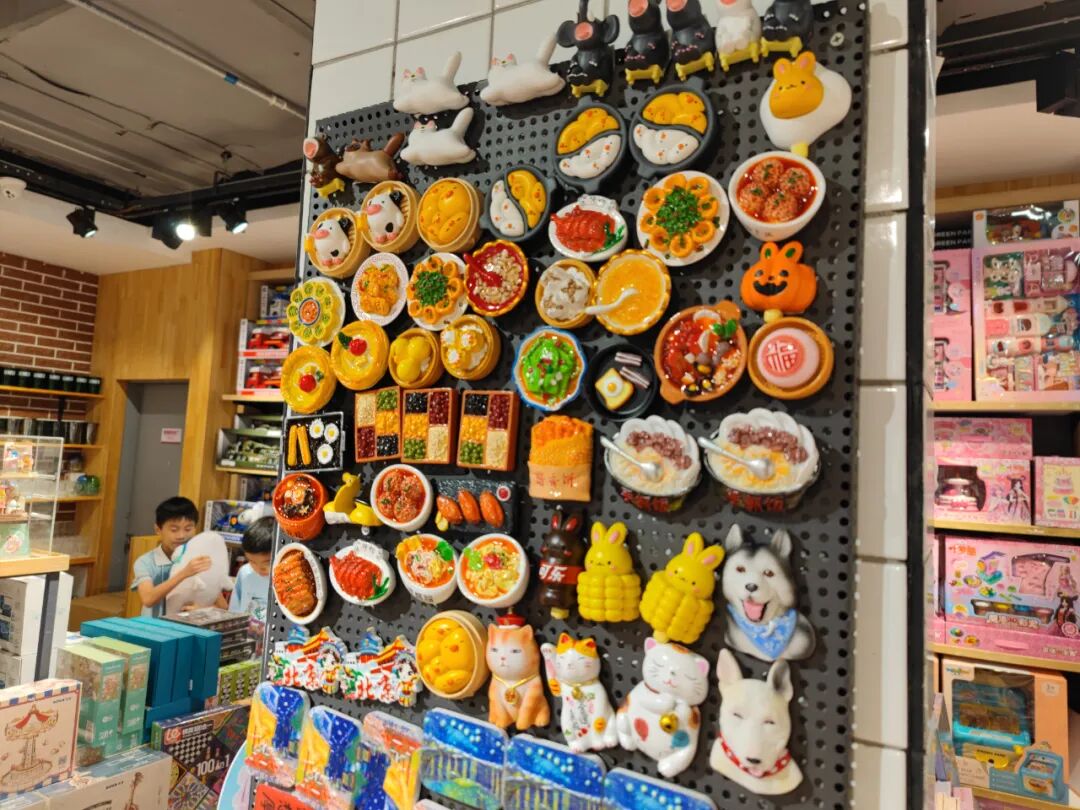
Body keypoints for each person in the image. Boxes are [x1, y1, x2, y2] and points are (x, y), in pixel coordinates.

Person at [131, 496, 211, 617]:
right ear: (158, 529)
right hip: (154, 626)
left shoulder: (200, 560)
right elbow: (148, 599)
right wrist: (185, 573)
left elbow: (222, 606)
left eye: (188, 529)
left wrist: (203, 609)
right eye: (174, 530)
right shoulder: (145, 562)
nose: (181, 536)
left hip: (186, 626)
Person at [229, 516, 273, 619]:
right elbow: (234, 612)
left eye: (267, 562)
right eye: (252, 562)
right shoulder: (245, 573)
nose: (259, 568)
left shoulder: (287, 578)